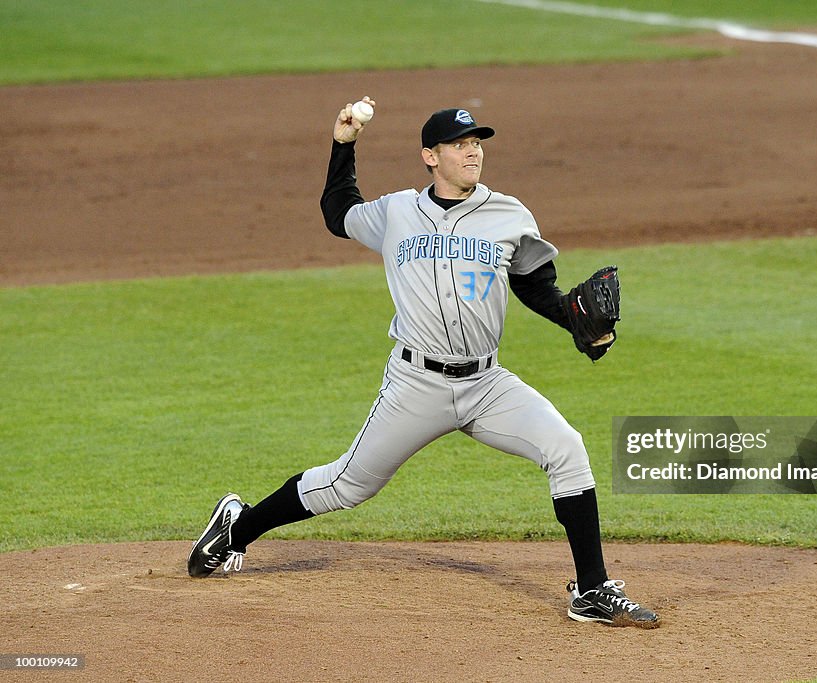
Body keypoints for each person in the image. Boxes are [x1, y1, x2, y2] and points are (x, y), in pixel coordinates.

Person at [186, 98, 658, 628]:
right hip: (416, 383)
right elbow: (338, 212)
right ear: (430, 156)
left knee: (566, 448)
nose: (473, 152)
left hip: (486, 383)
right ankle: (236, 528)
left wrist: (579, 326)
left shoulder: (508, 214)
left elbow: (535, 287)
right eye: (460, 145)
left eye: (477, 143)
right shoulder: (396, 213)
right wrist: (344, 144)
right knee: (347, 486)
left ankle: (592, 590)